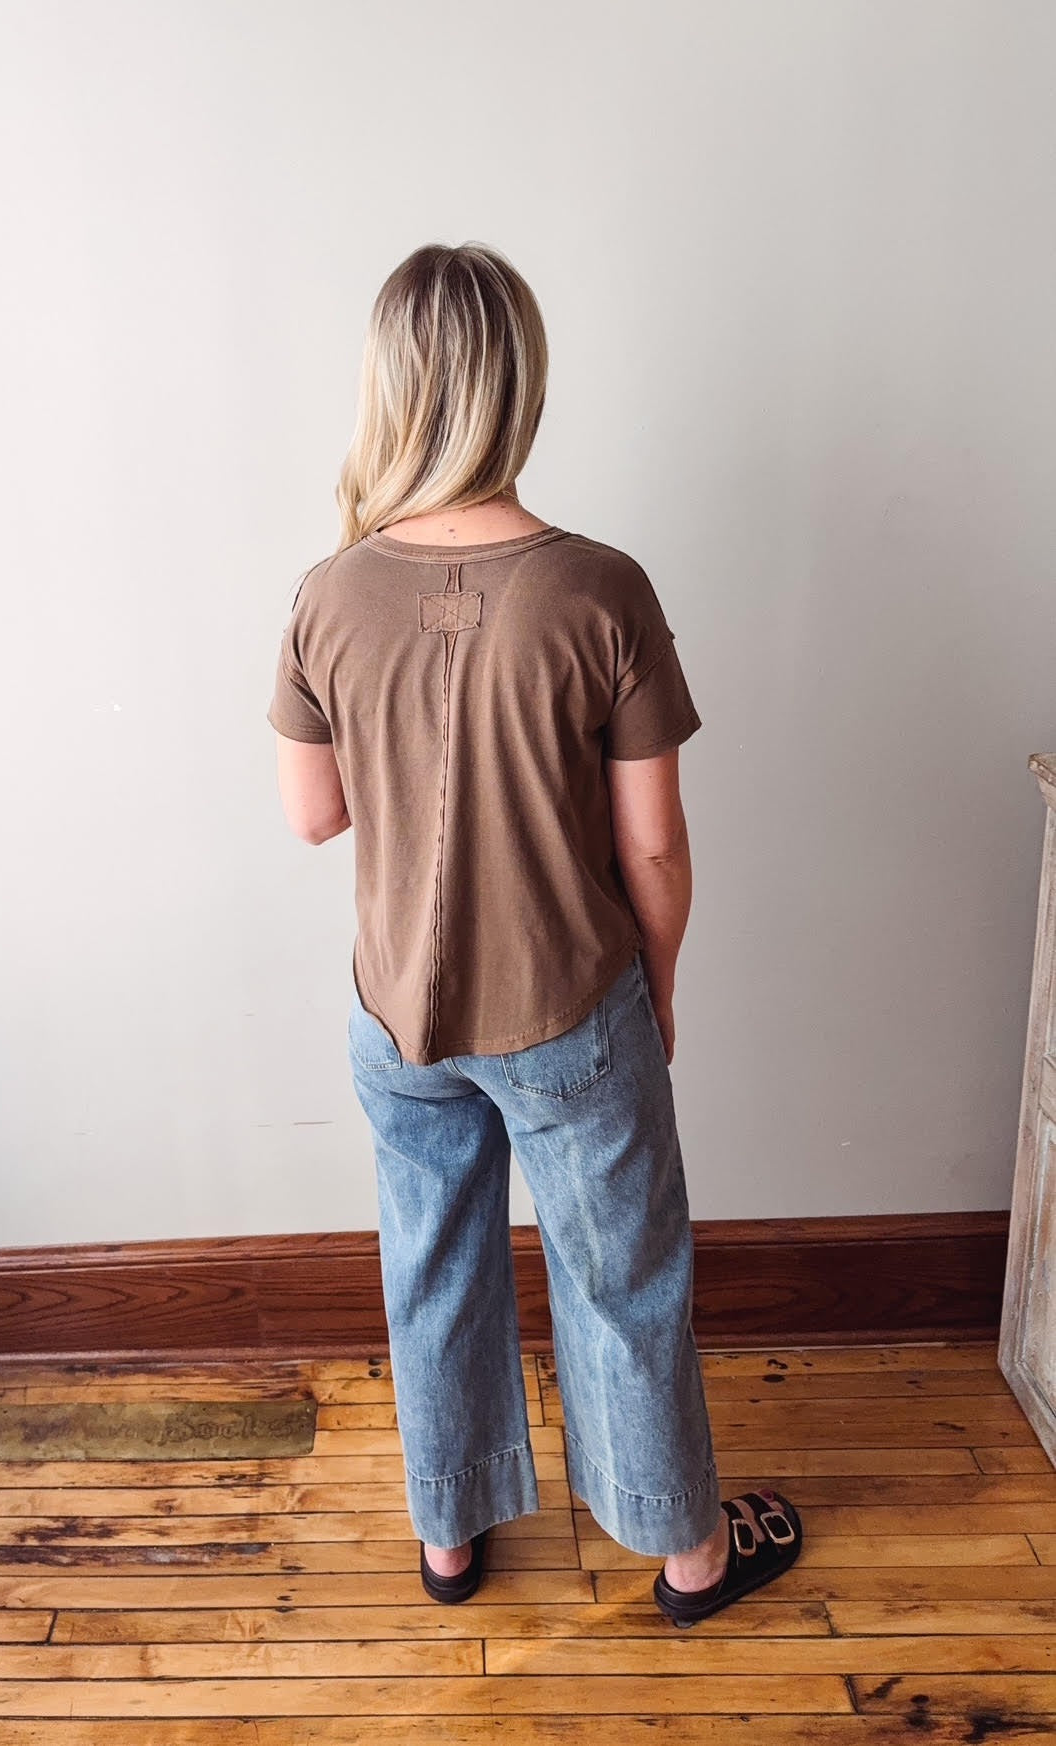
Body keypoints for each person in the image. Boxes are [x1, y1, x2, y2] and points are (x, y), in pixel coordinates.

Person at [267, 241, 802, 1626]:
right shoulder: (600, 587)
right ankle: (689, 1559)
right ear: (520, 383)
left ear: (393, 384)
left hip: (397, 1014)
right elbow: (652, 843)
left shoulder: (327, 592)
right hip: (569, 1003)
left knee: (429, 1262)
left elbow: (310, 816)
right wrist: (658, 988)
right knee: (621, 1278)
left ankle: (448, 1537)